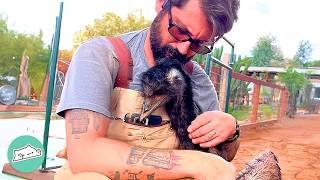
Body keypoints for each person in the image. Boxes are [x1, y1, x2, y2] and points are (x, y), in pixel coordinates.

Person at [55, 0, 240, 179]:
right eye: (180, 31)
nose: (184, 50)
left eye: (197, 44)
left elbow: (222, 158)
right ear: (161, 3)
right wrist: (196, 163)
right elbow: (85, 154)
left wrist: (231, 132)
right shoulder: (99, 56)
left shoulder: (198, 80)